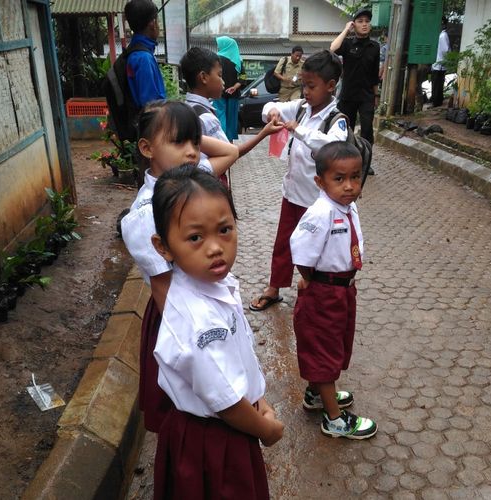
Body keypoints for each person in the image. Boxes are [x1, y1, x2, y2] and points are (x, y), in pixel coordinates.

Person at [150, 165, 284, 498]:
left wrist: (259, 397)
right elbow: (223, 401)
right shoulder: (196, 318)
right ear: (163, 247)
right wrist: (266, 429)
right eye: (195, 237)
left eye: (224, 230)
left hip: (236, 420)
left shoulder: (217, 285)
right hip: (212, 439)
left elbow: (238, 358)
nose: (214, 247)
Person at [120, 101, 239, 432]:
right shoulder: (147, 214)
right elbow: (163, 288)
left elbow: (230, 152)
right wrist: (195, 352)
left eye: (195, 143)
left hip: (207, 306)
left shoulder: (191, 182)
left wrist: (190, 131)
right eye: (178, 142)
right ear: (147, 148)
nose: (191, 152)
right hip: (181, 317)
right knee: (190, 404)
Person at [290, 141, 377, 439]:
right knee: (324, 350)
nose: (350, 185)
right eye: (339, 179)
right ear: (320, 181)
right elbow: (301, 252)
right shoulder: (320, 213)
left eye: (355, 176)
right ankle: (335, 419)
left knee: (334, 344)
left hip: (342, 291)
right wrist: (310, 280)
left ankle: (317, 394)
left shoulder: (347, 206)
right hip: (325, 293)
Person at [249, 50, 349, 312]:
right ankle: (274, 288)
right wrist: (272, 113)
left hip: (316, 203)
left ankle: (312, 292)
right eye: (303, 84)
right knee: (283, 244)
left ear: (330, 86)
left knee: (312, 249)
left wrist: (299, 130)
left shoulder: (335, 120)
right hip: (292, 193)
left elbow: (332, 146)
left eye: (311, 86)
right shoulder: (302, 109)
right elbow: (271, 107)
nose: (305, 91)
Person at [181, 47, 284, 156]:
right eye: (219, 75)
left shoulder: (186, 107)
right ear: (203, 77)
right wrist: (263, 133)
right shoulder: (207, 118)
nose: (223, 82)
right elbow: (231, 154)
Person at [330, 7, 380, 148]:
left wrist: (376, 95)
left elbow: (374, 73)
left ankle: (365, 160)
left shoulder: (374, 47)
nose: (364, 24)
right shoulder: (347, 44)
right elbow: (333, 48)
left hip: (367, 96)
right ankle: (347, 158)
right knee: (346, 128)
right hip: (348, 95)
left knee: (367, 129)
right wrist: (346, 30)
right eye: (360, 21)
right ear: (354, 24)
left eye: (367, 21)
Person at [124, 0, 165, 110]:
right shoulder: (143, 58)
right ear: (153, 23)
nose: (159, 26)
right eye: (158, 21)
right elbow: (151, 107)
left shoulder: (133, 51)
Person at [214, 36, 246, 141]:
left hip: (218, 92)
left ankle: (221, 140)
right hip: (234, 93)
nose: (218, 47)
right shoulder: (238, 60)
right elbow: (243, 77)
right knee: (232, 118)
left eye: (219, 45)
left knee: (220, 115)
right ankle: (230, 140)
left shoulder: (216, 59)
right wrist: (234, 87)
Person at [431, 17, 450, 108]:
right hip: (438, 64)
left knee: (437, 85)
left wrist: (443, 62)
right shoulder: (441, 35)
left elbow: (445, 50)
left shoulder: (442, 36)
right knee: (437, 84)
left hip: (439, 65)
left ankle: (436, 102)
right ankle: (437, 101)